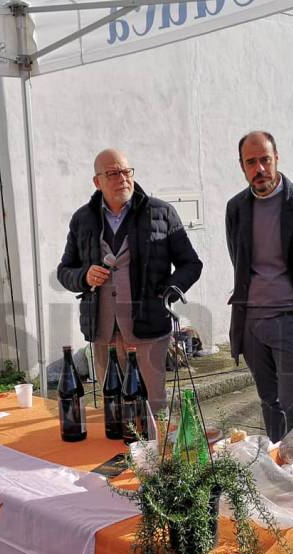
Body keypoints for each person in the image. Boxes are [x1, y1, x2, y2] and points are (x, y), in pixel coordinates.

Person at [57, 149, 202, 412]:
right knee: (113, 407)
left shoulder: (161, 212)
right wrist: (84, 276)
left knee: (153, 408)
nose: (122, 178)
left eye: (126, 171)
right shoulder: (83, 219)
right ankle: (119, 454)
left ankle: (156, 452)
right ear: (97, 182)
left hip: (148, 327)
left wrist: (168, 292)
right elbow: (64, 270)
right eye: (112, 173)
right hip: (102, 332)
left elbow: (191, 264)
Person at [226, 131, 293, 443]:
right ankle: (278, 468)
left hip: (291, 318)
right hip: (251, 322)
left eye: (265, 160)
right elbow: (239, 260)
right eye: (251, 162)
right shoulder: (236, 208)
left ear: (277, 159)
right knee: (269, 402)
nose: (259, 169)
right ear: (242, 166)